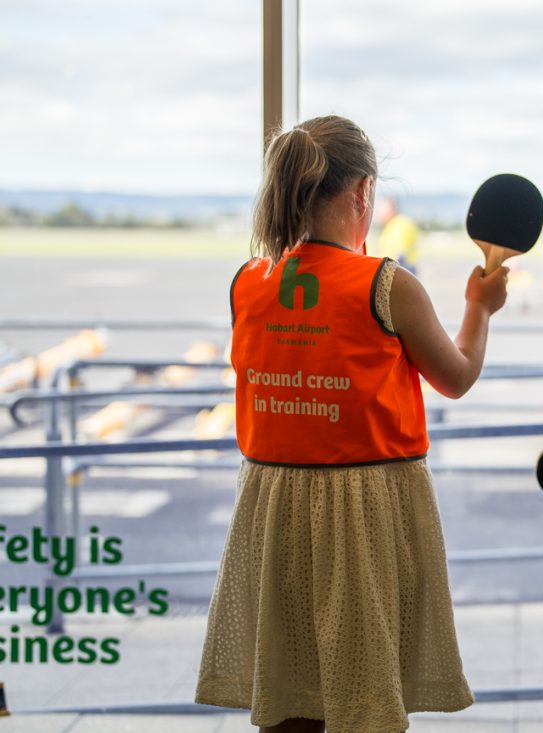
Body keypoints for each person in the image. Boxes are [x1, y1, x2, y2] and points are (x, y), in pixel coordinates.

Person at [194, 115, 508, 733]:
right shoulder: (388, 285)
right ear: (363, 193)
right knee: (364, 701)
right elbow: (457, 375)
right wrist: (480, 307)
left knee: (286, 696)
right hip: (365, 508)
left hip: (273, 505)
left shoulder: (246, 283)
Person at [374, 196, 421, 275]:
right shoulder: (392, 225)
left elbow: (399, 255)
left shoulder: (398, 225)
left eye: (382, 211)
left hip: (401, 269)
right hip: (401, 268)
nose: (379, 215)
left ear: (392, 210)